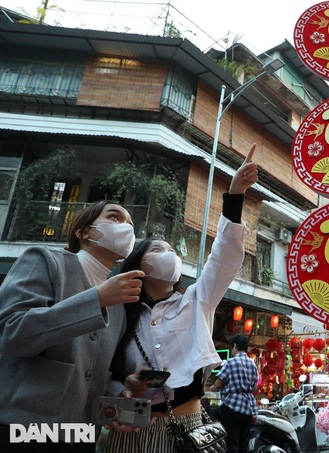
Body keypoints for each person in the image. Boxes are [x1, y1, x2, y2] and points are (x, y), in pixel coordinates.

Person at [105, 144, 258, 452]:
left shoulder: (197, 299)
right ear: (139, 264)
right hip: (130, 433)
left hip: (189, 429)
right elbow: (100, 371)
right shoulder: (116, 311)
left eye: (172, 252)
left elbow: (224, 255)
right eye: (159, 250)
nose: (170, 256)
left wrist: (236, 194)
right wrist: (126, 386)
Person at [0, 201, 144, 451]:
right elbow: (10, 334)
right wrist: (96, 300)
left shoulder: (119, 305)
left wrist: (117, 392)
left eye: (130, 224)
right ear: (83, 232)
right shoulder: (45, 261)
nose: (125, 227)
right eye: (114, 217)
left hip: (81, 434)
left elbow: (88, 370)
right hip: (23, 428)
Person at [210, 333, 259, 453]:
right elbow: (254, 387)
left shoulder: (230, 362)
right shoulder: (252, 363)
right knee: (243, 444)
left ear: (235, 346)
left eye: (232, 347)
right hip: (248, 408)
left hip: (231, 407)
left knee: (231, 443)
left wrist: (212, 388)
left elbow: (218, 384)